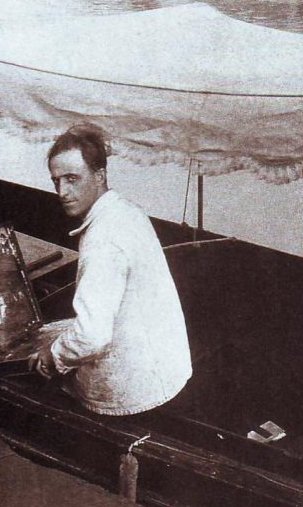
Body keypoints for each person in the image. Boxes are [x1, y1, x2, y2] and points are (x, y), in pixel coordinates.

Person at [29, 124, 192, 416]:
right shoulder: (127, 210)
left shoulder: (103, 241)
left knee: (41, 357)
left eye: (72, 179)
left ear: (99, 176)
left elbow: (92, 337)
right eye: (56, 181)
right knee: (52, 333)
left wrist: (51, 358)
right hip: (169, 367)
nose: (63, 192)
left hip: (133, 390)